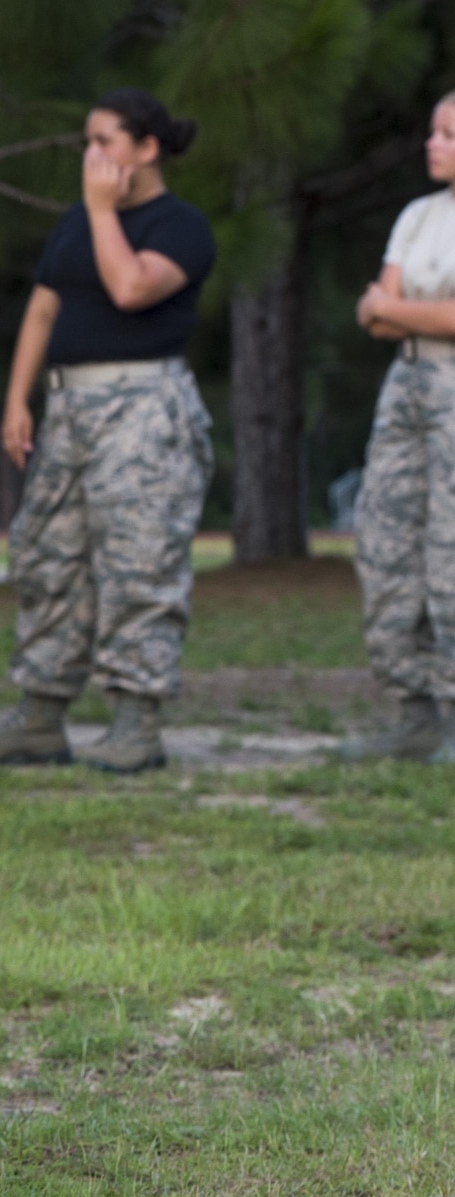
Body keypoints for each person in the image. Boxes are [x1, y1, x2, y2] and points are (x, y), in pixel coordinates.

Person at [0, 89, 215, 774]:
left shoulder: (180, 226)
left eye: (106, 142)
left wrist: (102, 211)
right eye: (87, 143)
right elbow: (42, 310)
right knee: (49, 558)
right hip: (69, 411)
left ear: (147, 148)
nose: (91, 156)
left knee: (139, 561)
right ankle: (40, 715)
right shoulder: (75, 223)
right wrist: (18, 399)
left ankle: (138, 720)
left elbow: (129, 287)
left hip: (142, 408)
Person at [342, 91, 455, 762]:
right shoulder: (419, 216)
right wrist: (411, 310)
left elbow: (389, 307)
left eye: (448, 134)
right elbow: (372, 315)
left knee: (451, 550)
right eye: (433, 131)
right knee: (385, 543)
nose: (431, 144)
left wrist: (396, 308)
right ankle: (417, 714)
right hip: (405, 387)